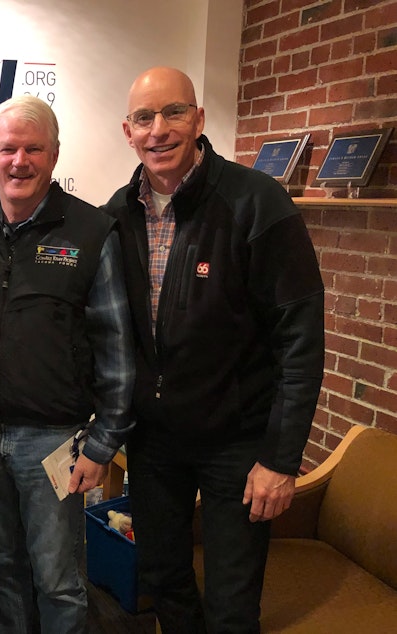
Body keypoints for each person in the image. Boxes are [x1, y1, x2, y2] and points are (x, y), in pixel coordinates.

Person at [101, 66, 325, 633]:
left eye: (174, 112)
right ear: (127, 131)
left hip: (238, 443)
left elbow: (300, 341)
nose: (159, 130)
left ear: (199, 120)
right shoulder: (116, 215)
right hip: (154, 444)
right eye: (144, 118)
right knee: (165, 582)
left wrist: (280, 458)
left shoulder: (257, 203)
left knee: (231, 605)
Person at [0, 95, 135, 634]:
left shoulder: (90, 231)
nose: (19, 161)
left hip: (54, 442)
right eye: (8, 148)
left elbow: (117, 345)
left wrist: (103, 444)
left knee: (57, 579)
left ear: (54, 156)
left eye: (33, 148)